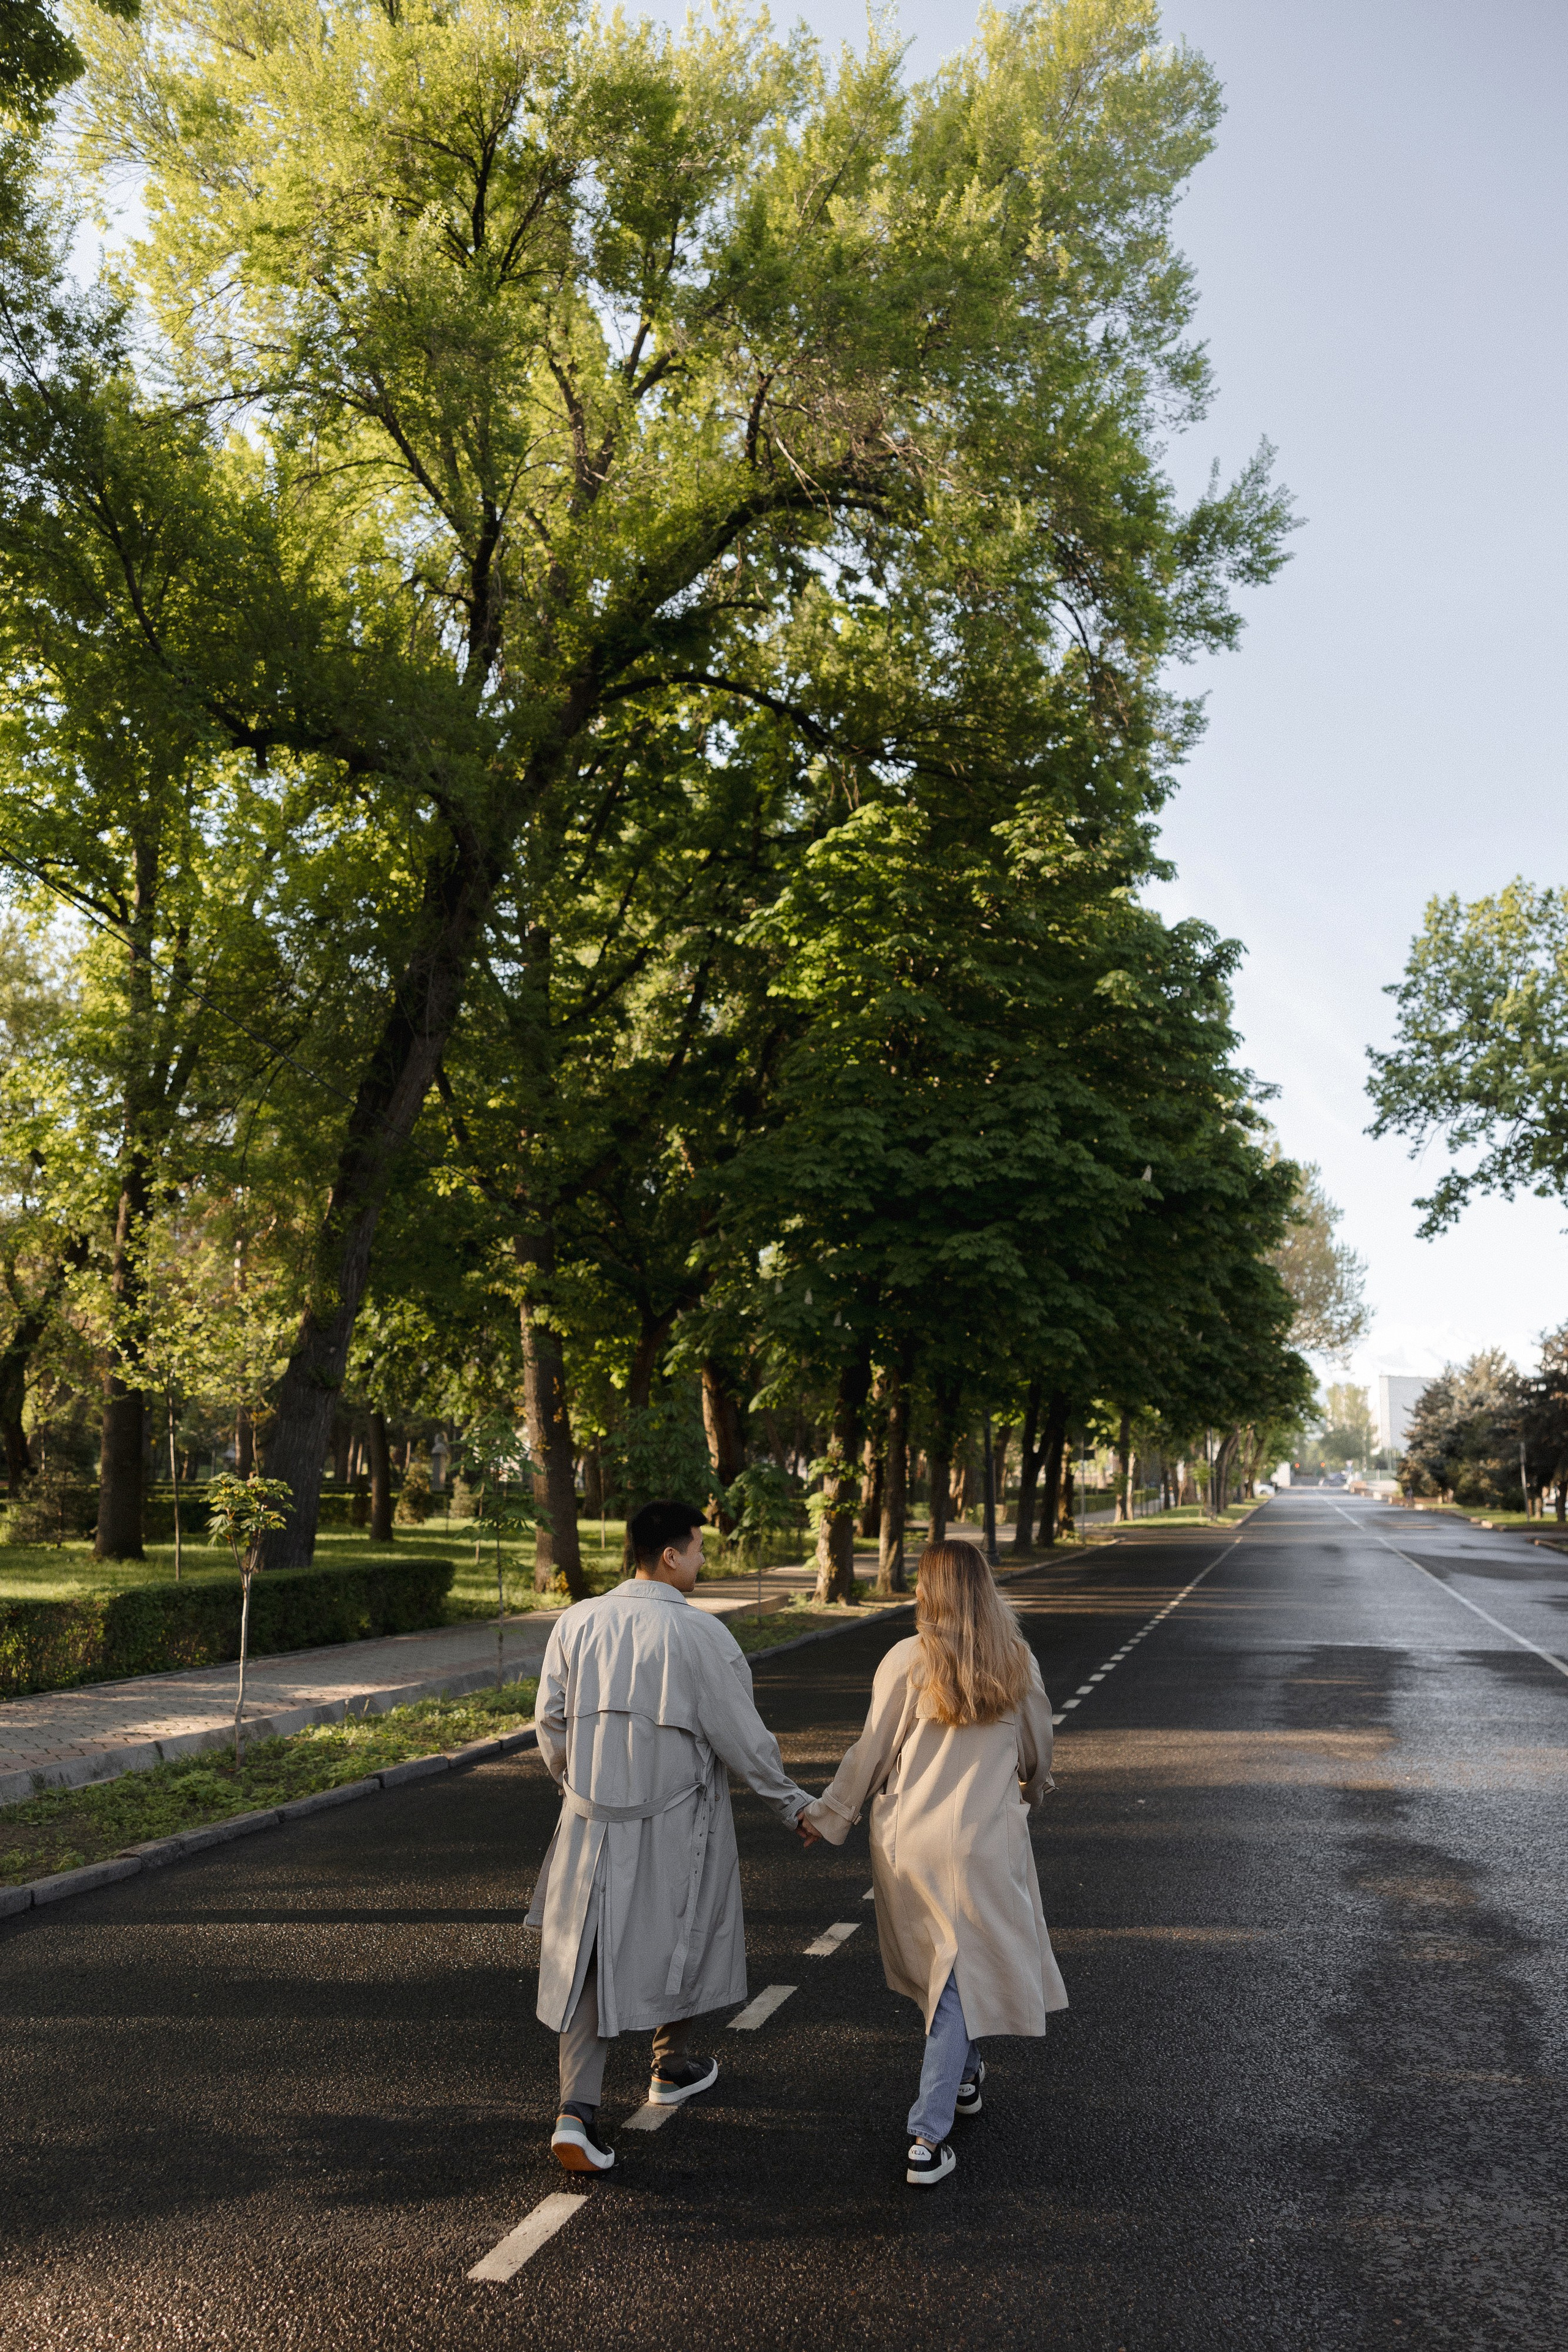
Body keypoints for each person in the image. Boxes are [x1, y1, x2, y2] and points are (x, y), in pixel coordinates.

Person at [527, 1497, 814, 2174]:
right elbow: (744, 1740)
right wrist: (793, 1806)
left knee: (587, 1959)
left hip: (589, 1820)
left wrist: (580, 1786)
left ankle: (578, 2110)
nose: (704, 1560)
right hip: (675, 1821)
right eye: (699, 1548)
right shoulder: (700, 1636)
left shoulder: (577, 1621)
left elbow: (550, 1724)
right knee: (683, 1934)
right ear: (670, 1555)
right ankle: (670, 2063)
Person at [799, 1539, 1066, 2188]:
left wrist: (829, 1813)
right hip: (983, 1843)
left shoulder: (905, 1660)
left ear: (928, 1590)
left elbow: (871, 1752)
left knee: (946, 1967)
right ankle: (926, 2136)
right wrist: (1028, 1792)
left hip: (911, 1842)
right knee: (959, 1968)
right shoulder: (1016, 1660)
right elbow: (1037, 1753)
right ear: (984, 1587)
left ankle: (962, 2081)